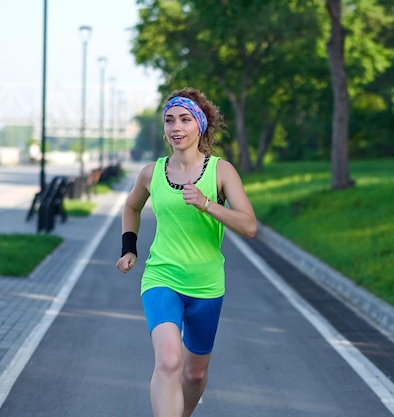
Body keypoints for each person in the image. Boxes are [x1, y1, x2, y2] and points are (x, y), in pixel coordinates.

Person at [116, 87, 257, 417]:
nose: (176, 127)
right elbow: (131, 206)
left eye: (184, 119)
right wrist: (129, 248)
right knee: (168, 361)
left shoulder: (221, 172)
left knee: (194, 374)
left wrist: (208, 205)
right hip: (162, 277)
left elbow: (249, 226)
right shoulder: (152, 173)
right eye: (169, 120)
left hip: (207, 285)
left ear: (201, 125)